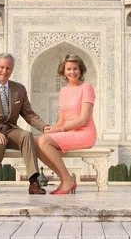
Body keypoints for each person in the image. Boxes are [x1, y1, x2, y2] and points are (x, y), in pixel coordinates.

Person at [0, 53, 48, 195]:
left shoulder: (18, 89)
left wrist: (44, 126)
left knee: (26, 135)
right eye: (1, 67)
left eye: (8, 68)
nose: (4, 71)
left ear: (12, 70)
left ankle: (33, 182)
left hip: (10, 130)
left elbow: (28, 114)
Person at [36, 54, 97, 195]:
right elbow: (63, 118)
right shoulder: (63, 91)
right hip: (69, 132)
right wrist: (53, 130)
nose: (72, 72)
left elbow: (83, 119)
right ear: (63, 71)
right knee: (36, 141)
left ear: (80, 70)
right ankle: (66, 179)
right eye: (69, 69)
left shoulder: (86, 88)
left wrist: (59, 129)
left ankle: (67, 180)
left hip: (85, 133)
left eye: (75, 68)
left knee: (44, 141)